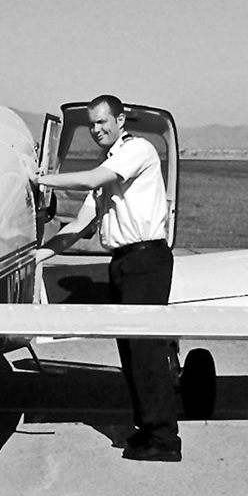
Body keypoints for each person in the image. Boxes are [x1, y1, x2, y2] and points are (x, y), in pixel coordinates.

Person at [31, 94, 180, 462]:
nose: (97, 129)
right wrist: (39, 254)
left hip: (147, 261)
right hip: (125, 263)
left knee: (146, 353)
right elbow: (80, 226)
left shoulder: (136, 151)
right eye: (93, 124)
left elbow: (91, 180)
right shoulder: (111, 168)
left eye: (103, 122)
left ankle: (165, 441)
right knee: (131, 354)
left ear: (120, 120)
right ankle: (146, 431)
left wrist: (41, 180)